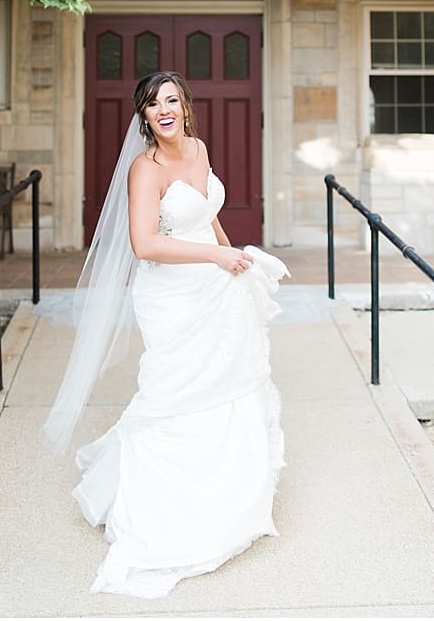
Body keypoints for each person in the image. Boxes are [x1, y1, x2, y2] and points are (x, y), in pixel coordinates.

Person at [44, 70, 287, 599]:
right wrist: (214, 255)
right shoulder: (143, 168)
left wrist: (232, 256)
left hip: (214, 284)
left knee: (230, 380)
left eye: (172, 100)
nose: (164, 110)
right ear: (144, 116)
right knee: (175, 393)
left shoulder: (199, 149)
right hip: (171, 295)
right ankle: (169, 511)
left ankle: (232, 497)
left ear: (185, 106)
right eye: (153, 105)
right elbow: (145, 244)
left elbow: (207, 216)